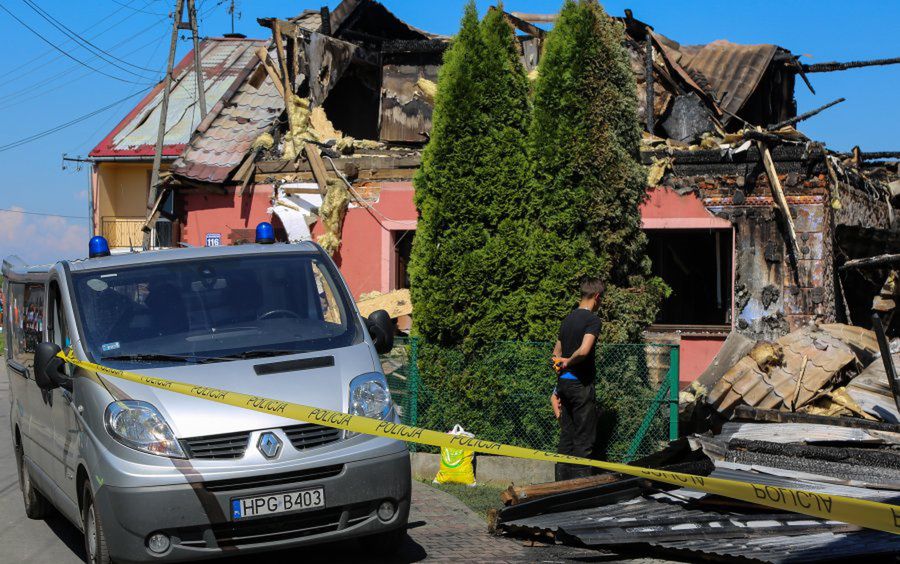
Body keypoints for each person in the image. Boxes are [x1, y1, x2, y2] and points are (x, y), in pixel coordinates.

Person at [552, 277, 604, 481]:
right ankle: (578, 488)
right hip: (580, 386)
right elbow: (583, 351)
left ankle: (559, 485)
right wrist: (568, 362)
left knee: (567, 436)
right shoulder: (593, 320)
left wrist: (560, 363)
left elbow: (555, 353)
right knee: (584, 439)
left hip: (563, 384)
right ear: (597, 297)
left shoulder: (567, 320)